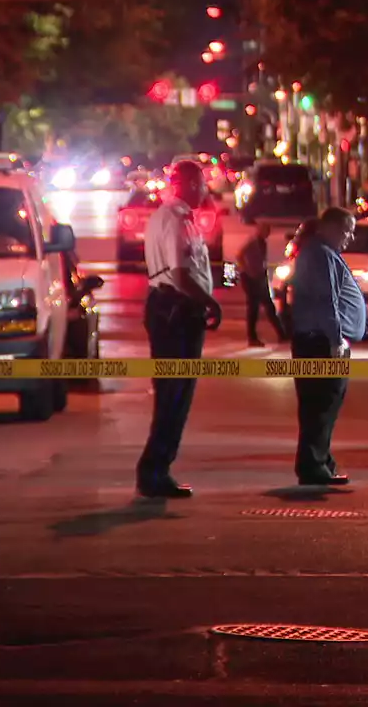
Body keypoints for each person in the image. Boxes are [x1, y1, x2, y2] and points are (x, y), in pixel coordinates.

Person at [135, 160, 221, 499]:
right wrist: (210, 303)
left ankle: (157, 469)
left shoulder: (164, 215)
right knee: (175, 395)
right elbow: (181, 274)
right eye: (201, 184)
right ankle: (154, 470)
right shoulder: (177, 219)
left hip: (170, 308)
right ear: (186, 184)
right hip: (177, 312)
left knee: (174, 393)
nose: (205, 191)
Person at [289, 207, 364, 486]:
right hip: (320, 342)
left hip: (319, 340)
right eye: (347, 230)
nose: (350, 237)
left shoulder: (321, 252)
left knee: (322, 403)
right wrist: (335, 340)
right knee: (321, 402)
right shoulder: (320, 254)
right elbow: (325, 301)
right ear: (330, 227)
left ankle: (320, 460)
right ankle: (314, 464)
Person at [235, 220, 287, 347]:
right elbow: (240, 255)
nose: (267, 233)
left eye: (268, 231)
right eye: (266, 230)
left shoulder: (261, 242)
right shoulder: (253, 242)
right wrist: (247, 270)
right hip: (252, 278)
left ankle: (282, 334)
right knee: (255, 308)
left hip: (258, 277)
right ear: (259, 230)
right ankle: (254, 338)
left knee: (267, 306)